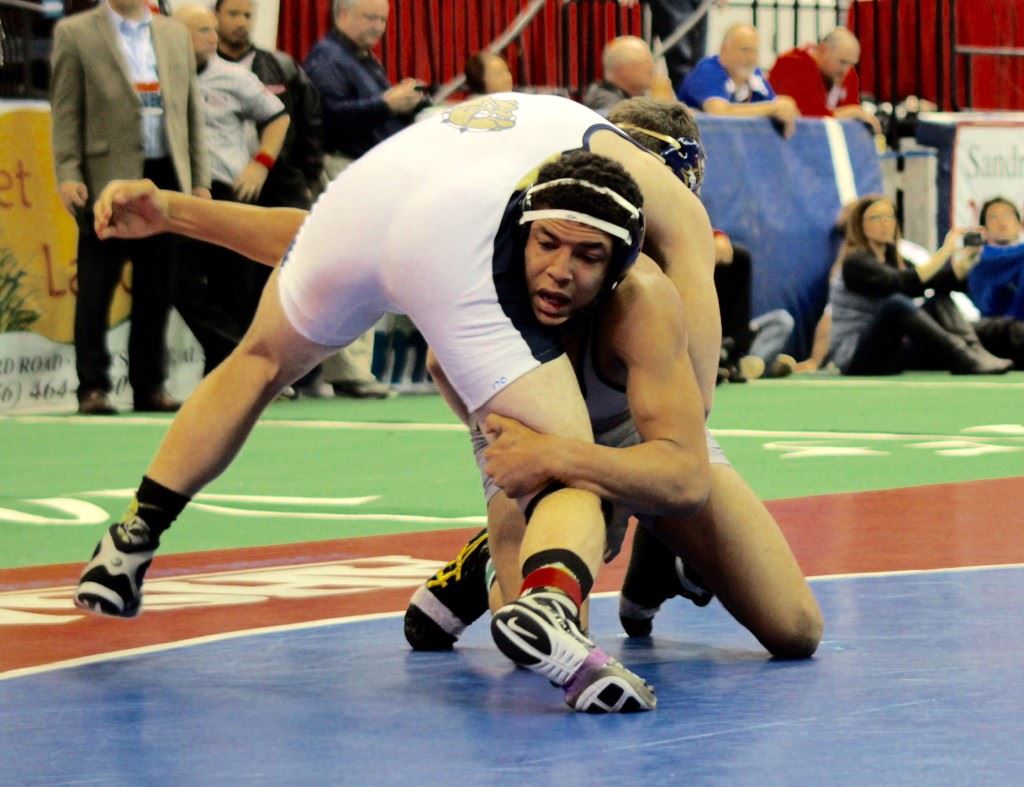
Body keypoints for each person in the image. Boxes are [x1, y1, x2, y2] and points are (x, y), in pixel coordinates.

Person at [73, 92, 720, 714]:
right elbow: (695, 403)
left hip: (366, 196)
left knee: (258, 358)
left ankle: (133, 535)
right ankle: (558, 626)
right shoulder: (653, 193)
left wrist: (174, 213)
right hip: (459, 253)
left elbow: (324, 243)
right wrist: (652, 504)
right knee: (568, 468)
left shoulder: (522, 127)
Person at [405, 97, 823, 669]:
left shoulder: (657, 279)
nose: (564, 262)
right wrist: (508, 462)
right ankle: (493, 561)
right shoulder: (510, 253)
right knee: (545, 639)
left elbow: (687, 447)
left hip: (629, 434)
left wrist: (608, 489)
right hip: (533, 426)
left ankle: (657, 546)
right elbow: (439, 363)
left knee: (796, 628)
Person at [50, 0, 210, 414]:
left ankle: (149, 385)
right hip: (106, 178)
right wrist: (68, 173)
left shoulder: (174, 34)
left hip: (165, 174)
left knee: (158, 288)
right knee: (96, 288)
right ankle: (92, 388)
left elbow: (191, 111)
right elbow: (66, 111)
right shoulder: (75, 33)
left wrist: (199, 180)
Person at [303, 0, 427, 399]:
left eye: (383, 20)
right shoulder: (327, 60)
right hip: (342, 170)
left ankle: (351, 368)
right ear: (342, 15)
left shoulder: (362, 59)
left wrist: (405, 107)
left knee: (363, 272)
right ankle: (346, 370)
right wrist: (386, 104)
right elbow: (328, 116)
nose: (377, 27)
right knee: (349, 272)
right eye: (370, 18)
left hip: (363, 171)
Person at [171, 5, 289, 373]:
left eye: (211, 30)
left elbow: (278, 116)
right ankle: (241, 358)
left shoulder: (234, 77)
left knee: (236, 292)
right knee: (180, 285)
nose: (213, 38)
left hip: (228, 191)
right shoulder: (163, 77)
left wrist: (261, 163)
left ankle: (230, 377)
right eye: (201, 31)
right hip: (181, 193)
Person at [215, 0, 325, 330]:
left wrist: (308, 176)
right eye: (233, 14)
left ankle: (304, 372)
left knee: (291, 277)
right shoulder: (203, 67)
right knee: (236, 280)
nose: (241, 23)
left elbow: (310, 122)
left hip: (281, 182)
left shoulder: (281, 67)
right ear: (216, 17)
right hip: (229, 183)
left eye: (248, 16)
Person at [826, 195, 1011, 376]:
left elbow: (930, 282)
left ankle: (976, 352)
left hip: (891, 352)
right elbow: (901, 283)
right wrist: (945, 251)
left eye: (889, 217)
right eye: (876, 218)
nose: (885, 223)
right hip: (854, 356)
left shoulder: (896, 260)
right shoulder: (855, 262)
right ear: (861, 226)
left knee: (938, 299)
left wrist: (965, 262)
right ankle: (961, 357)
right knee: (896, 305)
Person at [677, 24, 799, 138]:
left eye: (754, 51)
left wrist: (786, 111)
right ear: (724, 51)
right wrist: (772, 108)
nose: (751, 58)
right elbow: (718, 113)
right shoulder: (708, 70)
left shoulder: (754, 75)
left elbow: (778, 107)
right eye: (745, 50)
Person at [712, 230, 797, 381]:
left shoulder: (739, 258)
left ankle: (750, 362)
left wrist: (733, 343)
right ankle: (765, 366)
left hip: (733, 340)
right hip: (706, 339)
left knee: (782, 320)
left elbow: (742, 315)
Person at [768, 28, 881, 134]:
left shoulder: (848, 75)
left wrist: (853, 114)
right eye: (842, 62)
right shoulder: (791, 65)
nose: (846, 70)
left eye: (851, 64)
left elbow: (850, 119)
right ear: (822, 49)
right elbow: (806, 120)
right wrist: (851, 113)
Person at [969, 196, 1024, 321]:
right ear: (984, 229)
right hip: (996, 324)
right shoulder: (980, 256)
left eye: (1007, 215)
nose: (1001, 221)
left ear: (1019, 225)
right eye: (993, 217)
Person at [582, 36, 656, 115]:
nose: (652, 67)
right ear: (622, 69)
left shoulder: (632, 101)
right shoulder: (609, 111)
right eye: (645, 62)